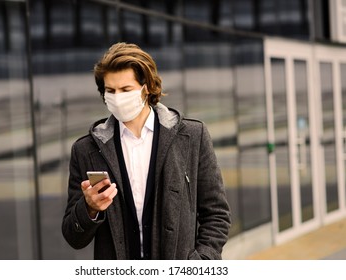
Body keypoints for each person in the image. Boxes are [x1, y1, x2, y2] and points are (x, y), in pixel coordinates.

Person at [62, 42, 231, 260]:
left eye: (125, 89)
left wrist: (201, 263)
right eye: (110, 91)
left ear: (147, 87)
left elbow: (217, 214)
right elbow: (73, 237)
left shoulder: (192, 137)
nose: (118, 97)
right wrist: (89, 208)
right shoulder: (86, 150)